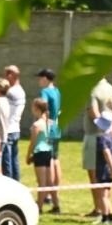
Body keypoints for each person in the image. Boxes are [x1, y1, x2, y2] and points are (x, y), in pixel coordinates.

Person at [82, 76, 112, 219]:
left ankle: (99, 208)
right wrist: (111, 129)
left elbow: (93, 112)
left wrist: (102, 126)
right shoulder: (111, 89)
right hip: (110, 136)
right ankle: (107, 207)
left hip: (94, 136)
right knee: (107, 177)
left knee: (95, 175)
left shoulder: (92, 90)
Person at [36, 68, 62, 214]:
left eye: (40, 78)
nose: (39, 81)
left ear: (45, 78)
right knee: (55, 159)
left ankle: (48, 194)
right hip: (57, 127)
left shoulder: (45, 92)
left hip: (49, 128)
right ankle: (55, 192)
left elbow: (44, 109)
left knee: (48, 162)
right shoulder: (57, 91)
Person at [24, 98, 55, 211]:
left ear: (37, 109)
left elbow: (33, 143)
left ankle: (39, 207)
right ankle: (56, 204)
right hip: (48, 152)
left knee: (41, 182)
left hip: (39, 154)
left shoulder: (37, 125)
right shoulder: (50, 123)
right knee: (49, 181)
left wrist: (28, 156)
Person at [93, 110, 112, 225]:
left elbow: (106, 152)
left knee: (102, 195)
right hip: (110, 171)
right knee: (107, 194)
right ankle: (111, 215)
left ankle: (105, 217)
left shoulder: (102, 139)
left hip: (103, 170)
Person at [1, 64, 26, 181]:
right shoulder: (21, 90)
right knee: (14, 160)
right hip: (16, 128)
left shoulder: (11, 92)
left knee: (6, 161)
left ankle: (9, 183)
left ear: (11, 75)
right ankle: (17, 182)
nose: (4, 78)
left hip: (9, 129)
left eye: (6, 75)